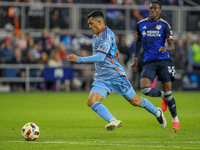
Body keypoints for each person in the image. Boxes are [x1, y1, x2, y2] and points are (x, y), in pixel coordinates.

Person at [67, 10, 166, 131]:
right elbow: (112, 49)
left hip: (115, 76)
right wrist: (114, 51)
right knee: (91, 101)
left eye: (91, 23)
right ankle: (113, 120)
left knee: (135, 101)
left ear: (99, 22)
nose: (89, 26)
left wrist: (79, 59)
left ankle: (157, 112)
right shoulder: (98, 33)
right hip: (101, 78)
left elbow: (100, 57)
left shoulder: (106, 36)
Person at [131, 1, 180, 129]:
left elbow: (172, 45)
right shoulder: (141, 24)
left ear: (160, 11)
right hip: (149, 62)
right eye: (150, 8)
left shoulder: (164, 25)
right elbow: (138, 42)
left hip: (164, 60)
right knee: (145, 89)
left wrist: (166, 48)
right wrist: (135, 59)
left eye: (155, 8)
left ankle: (175, 119)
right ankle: (163, 96)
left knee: (169, 92)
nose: (152, 10)